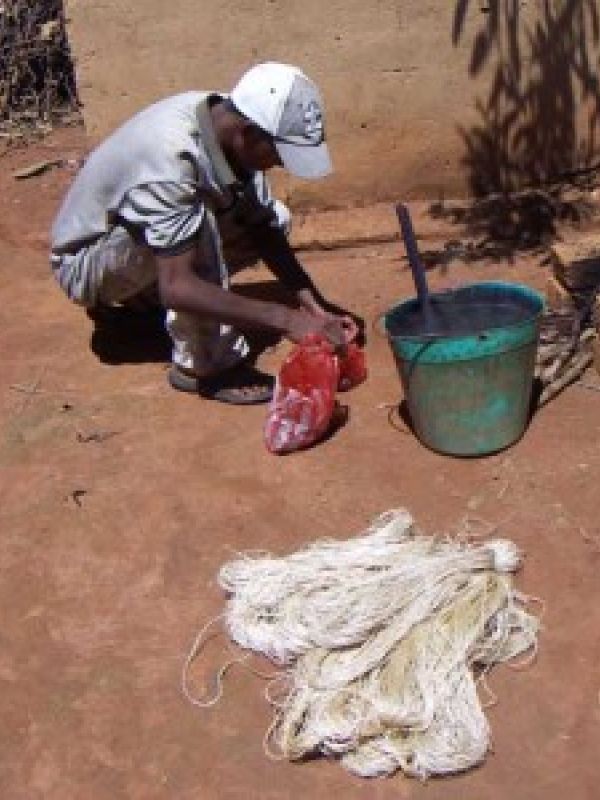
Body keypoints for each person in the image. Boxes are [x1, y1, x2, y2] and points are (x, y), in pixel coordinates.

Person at [50, 61, 360, 404]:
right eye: (278, 153)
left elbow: (261, 228)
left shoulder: (227, 120)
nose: (280, 164)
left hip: (135, 248)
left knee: (274, 217)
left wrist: (313, 307)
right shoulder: (172, 160)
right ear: (249, 133)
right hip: (88, 265)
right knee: (198, 227)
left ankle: (142, 306)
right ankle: (206, 367)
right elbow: (177, 286)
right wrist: (286, 320)